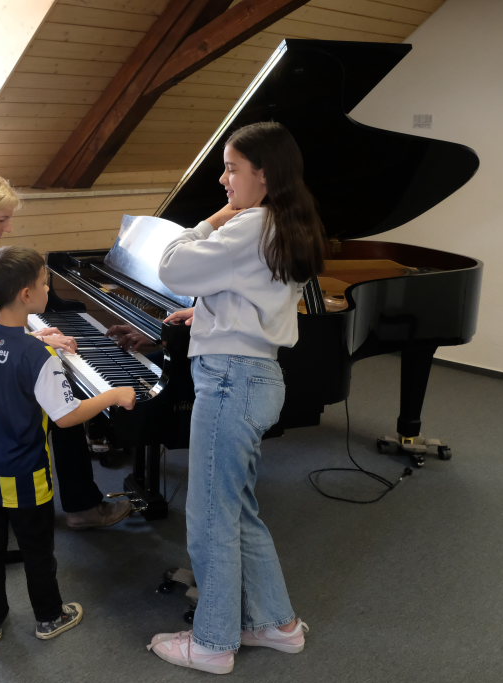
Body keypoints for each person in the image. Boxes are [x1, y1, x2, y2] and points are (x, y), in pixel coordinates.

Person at [147, 121, 327, 674]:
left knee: (210, 516)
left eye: (231, 168)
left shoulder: (249, 224)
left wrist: (211, 220)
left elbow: (171, 265)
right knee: (238, 508)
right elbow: (255, 295)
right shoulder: (285, 224)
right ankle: (276, 624)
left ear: (263, 175)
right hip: (255, 376)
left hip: (230, 380)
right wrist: (208, 311)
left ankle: (213, 643)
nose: (223, 180)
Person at [0, 169, 131, 529]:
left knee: (56, 390)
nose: (8, 228)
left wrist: (33, 338)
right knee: (61, 407)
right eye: (1, 219)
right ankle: (82, 507)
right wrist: (38, 342)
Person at [0, 246, 137, 642]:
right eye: (44, 283)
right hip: (27, 475)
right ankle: (49, 617)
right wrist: (113, 395)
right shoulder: (38, 356)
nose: (47, 288)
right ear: (26, 294)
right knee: (37, 550)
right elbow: (66, 416)